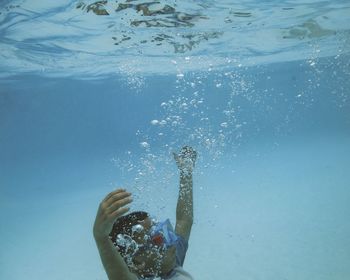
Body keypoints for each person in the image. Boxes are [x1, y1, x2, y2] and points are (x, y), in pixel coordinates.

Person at [93, 146, 197, 279]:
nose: (168, 241)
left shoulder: (171, 260)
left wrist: (186, 172)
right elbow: (119, 276)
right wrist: (101, 238)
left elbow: (184, 219)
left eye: (162, 231)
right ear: (138, 262)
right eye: (156, 240)